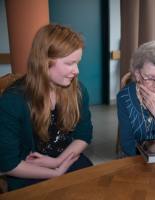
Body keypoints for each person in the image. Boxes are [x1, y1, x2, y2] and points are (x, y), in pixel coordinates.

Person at [0, 24, 93, 191]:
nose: (76, 70)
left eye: (77, 63)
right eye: (70, 63)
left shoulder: (78, 91)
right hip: (29, 172)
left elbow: (84, 134)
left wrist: (57, 162)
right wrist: (55, 173)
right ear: (44, 61)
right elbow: (7, 163)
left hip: (66, 159)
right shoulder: (13, 100)